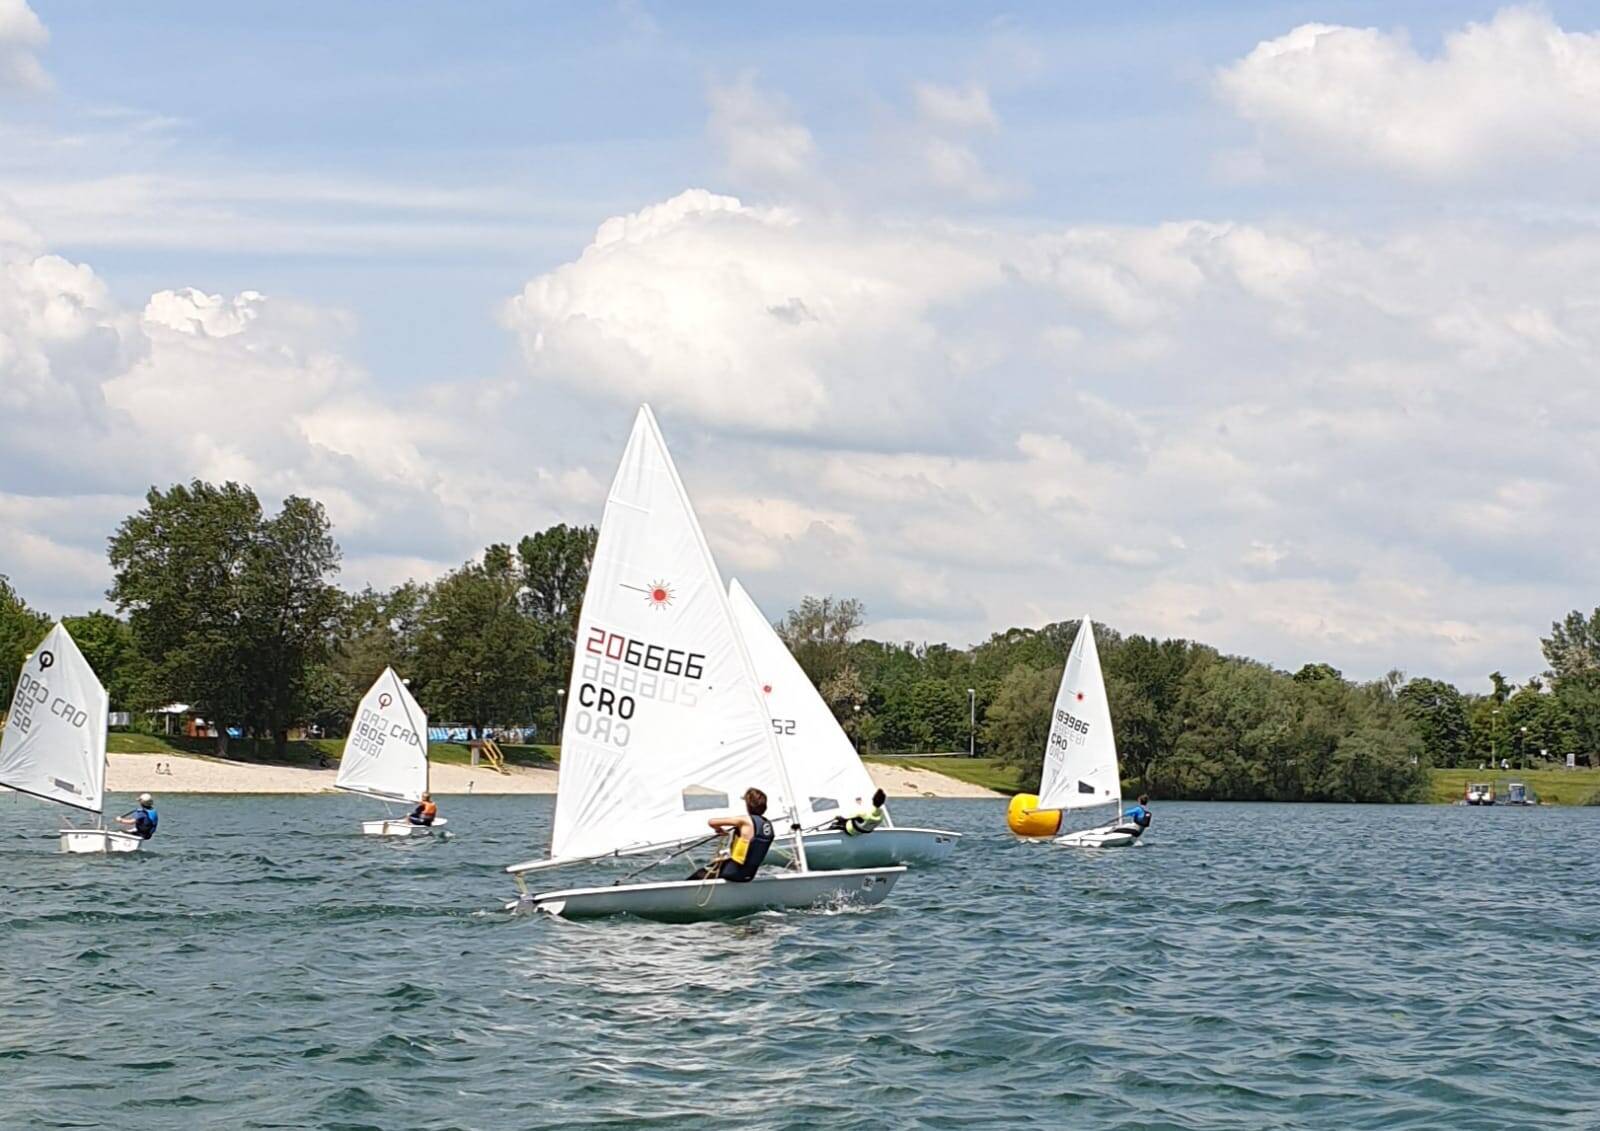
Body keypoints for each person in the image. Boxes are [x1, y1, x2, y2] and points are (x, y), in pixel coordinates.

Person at [689, 788, 774, 882]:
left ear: (748, 804)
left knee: (699, 874)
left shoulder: (744, 821)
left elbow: (712, 822)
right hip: (749, 874)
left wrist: (719, 830)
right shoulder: (767, 824)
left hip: (733, 872)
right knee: (722, 863)